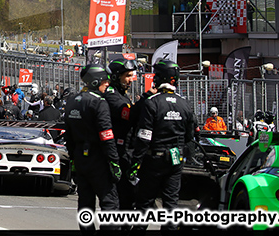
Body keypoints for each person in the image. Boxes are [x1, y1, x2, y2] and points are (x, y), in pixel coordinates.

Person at [129, 59, 194, 232]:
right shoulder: (184, 104)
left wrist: (135, 162)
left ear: (160, 78)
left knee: (144, 205)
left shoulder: (152, 102)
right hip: (175, 160)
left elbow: (144, 137)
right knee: (171, 205)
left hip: (153, 161)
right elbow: (191, 135)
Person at [63, 64, 122, 232]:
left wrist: (74, 158)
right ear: (96, 82)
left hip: (80, 158)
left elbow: (68, 135)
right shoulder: (99, 102)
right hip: (98, 158)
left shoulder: (72, 100)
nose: (107, 85)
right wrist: (114, 162)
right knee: (110, 203)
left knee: (85, 204)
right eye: (105, 82)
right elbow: (106, 135)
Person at [105, 57, 142, 217]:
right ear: (115, 76)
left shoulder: (123, 95)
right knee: (119, 199)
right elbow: (128, 115)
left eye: (131, 76)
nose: (130, 80)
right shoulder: (111, 95)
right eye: (127, 76)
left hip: (127, 150)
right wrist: (148, 99)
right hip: (117, 153)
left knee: (130, 198)